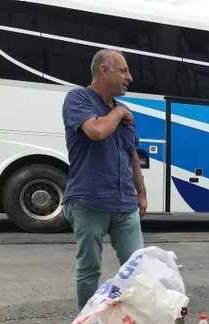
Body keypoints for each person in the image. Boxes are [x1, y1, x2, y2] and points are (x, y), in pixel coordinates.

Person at [61, 49, 148, 310]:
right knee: (89, 268)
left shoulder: (124, 109)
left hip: (124, 203)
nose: (129, 77)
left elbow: (131, 155)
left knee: (137, 267)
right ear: (104, 70)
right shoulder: (78, 98)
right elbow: (96, 131)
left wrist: (141, 193)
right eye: (124, 70)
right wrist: (119, 114)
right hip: (89, 201)